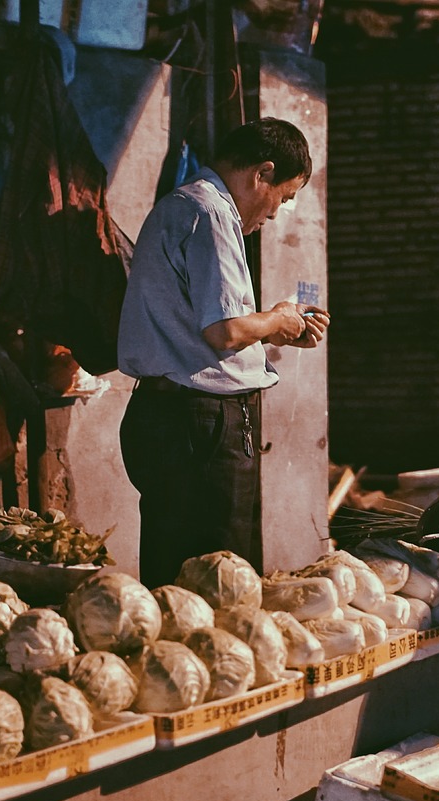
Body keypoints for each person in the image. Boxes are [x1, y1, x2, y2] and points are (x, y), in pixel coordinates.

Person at [117, 118, 329, 587]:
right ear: (263, 174)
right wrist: (277, 318)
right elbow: (226, 330)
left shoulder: (182, 206)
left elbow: (203, 326)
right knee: (221, 582)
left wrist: (276, 332)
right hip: (199, 425)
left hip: (166, 414)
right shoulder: (210, 211)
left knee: (172, 572)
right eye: (284, 197)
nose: (275, 215)